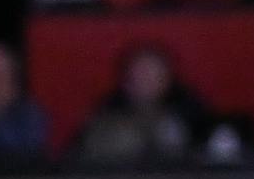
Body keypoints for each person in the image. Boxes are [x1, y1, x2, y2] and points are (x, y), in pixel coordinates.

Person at [76, 48, 213, 165]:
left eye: (155, 75)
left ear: (169, 79)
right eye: (140, 74)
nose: (147, 81)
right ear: (126, 80)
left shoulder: (191, 116)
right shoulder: (104, 117)